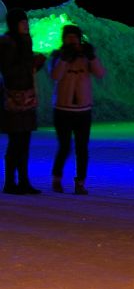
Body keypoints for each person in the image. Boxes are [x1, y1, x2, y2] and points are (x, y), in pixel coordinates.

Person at [48, 24, 106, 194]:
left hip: (83, 110)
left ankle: (80, 181)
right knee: (64, 146)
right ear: (64, 38)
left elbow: (100, 73)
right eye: (68, 36)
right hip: (62, 109)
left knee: (82, 148)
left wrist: (91, 56)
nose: (72, 40)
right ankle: (57, 178)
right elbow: (55, 76)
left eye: (75, 37)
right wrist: (65, 59)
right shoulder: (58, 55)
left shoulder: (86, 55)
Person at [0, 9, 46, 194]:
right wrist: (32, 63)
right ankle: (11, 182)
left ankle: (24, 181)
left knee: (24, 140)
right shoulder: (6, 42)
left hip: (26, 97)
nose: (26, 25)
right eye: (22, 22)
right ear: (14, 24)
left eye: (26, 22)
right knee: (16, 141)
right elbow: (9, 71)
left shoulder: (25, 40)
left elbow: (25, 70)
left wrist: (36, 64)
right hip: (13, 97)